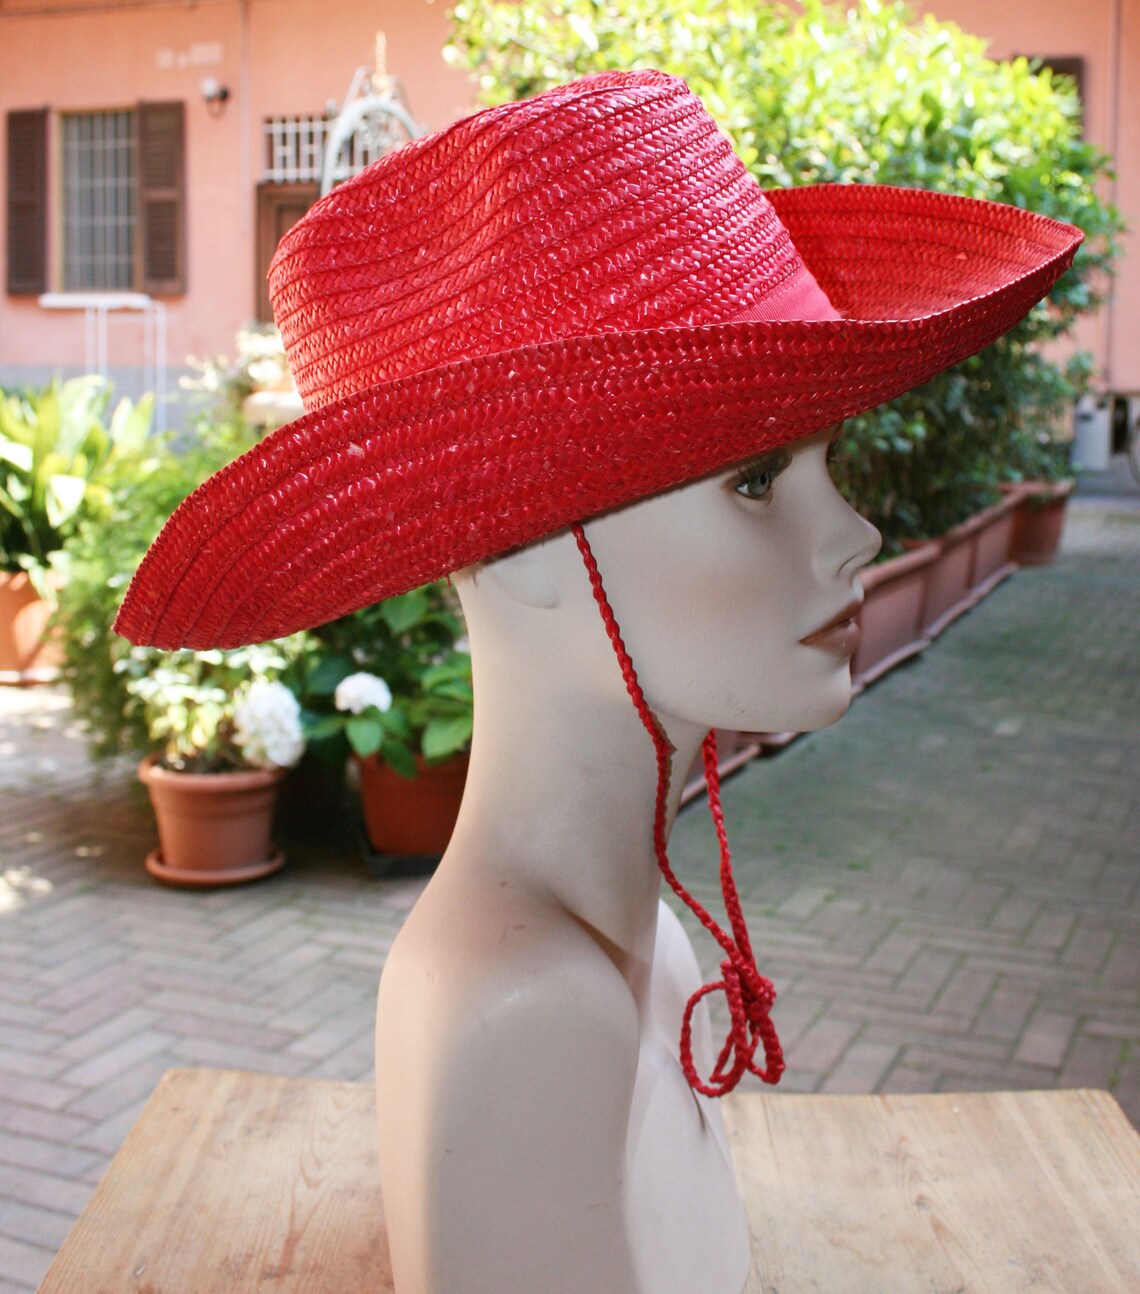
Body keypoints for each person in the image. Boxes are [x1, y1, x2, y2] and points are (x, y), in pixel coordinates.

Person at [116, 69, 1081, 1294]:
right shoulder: (527, 1016)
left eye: (823, 464)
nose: (855, 535)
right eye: (755, 480)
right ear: (522, 548)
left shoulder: (647, 954)